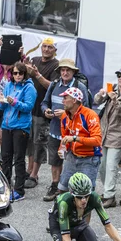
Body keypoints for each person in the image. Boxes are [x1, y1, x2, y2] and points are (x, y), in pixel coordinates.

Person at [41, 58, 91, 202]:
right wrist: (46, 110)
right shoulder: (54, 85)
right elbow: (44, 103)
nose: (65, 72)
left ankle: (70, 189)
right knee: (55, 161)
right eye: (62, 70)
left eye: (68, 70)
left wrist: (66, 114)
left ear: (73, 72)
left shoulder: (79, 86)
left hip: (72, 133)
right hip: (55, 130)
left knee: (71, 162)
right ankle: (55, 186)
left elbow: (85, 111)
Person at [0, 62, 37, 201]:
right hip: (7, 126)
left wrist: (14, 102)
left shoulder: (29, 87)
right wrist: (0, 101)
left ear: (25, 74)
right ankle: (6, 186)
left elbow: (28, 107)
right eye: (15, 73)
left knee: (19, 158)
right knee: (6, 157)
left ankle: (19, 190)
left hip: (21, 127)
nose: (17, 75)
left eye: (20, 73)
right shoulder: (8, 85)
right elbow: (3, 108)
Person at [94, 67, 121, 208]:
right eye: (119, 76)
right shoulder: (114, 89)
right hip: (104, 132)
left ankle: (110, 196)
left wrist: (115, 99)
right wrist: (101, 94)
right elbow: (97, 101)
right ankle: (106, 193)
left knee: (111, 166)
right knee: (102, 166)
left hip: (118, 134)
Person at [24, 37, 60, 189]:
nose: (46, 49)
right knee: (29, 142)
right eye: (44, 46)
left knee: (39, 143)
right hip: (28, 108)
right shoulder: (35, 59)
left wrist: (37, 75)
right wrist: (23, 64)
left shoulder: (57, 66)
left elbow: (52, 87)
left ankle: (34, 175)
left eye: (49, 47)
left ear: (55, 50)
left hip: (43, 110)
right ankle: (28, 170)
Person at [57, 87, 102, 195]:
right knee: (63, 189)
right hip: (71, 157)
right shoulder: (64, 115)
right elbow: (65, 137)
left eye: (65, 98)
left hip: (89, 159)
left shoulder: (90, 115)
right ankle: (63, 212)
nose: (62, 101)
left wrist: (75, 138)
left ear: (74, 100)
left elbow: (97, 140)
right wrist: (62, 149)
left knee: (86, 194)